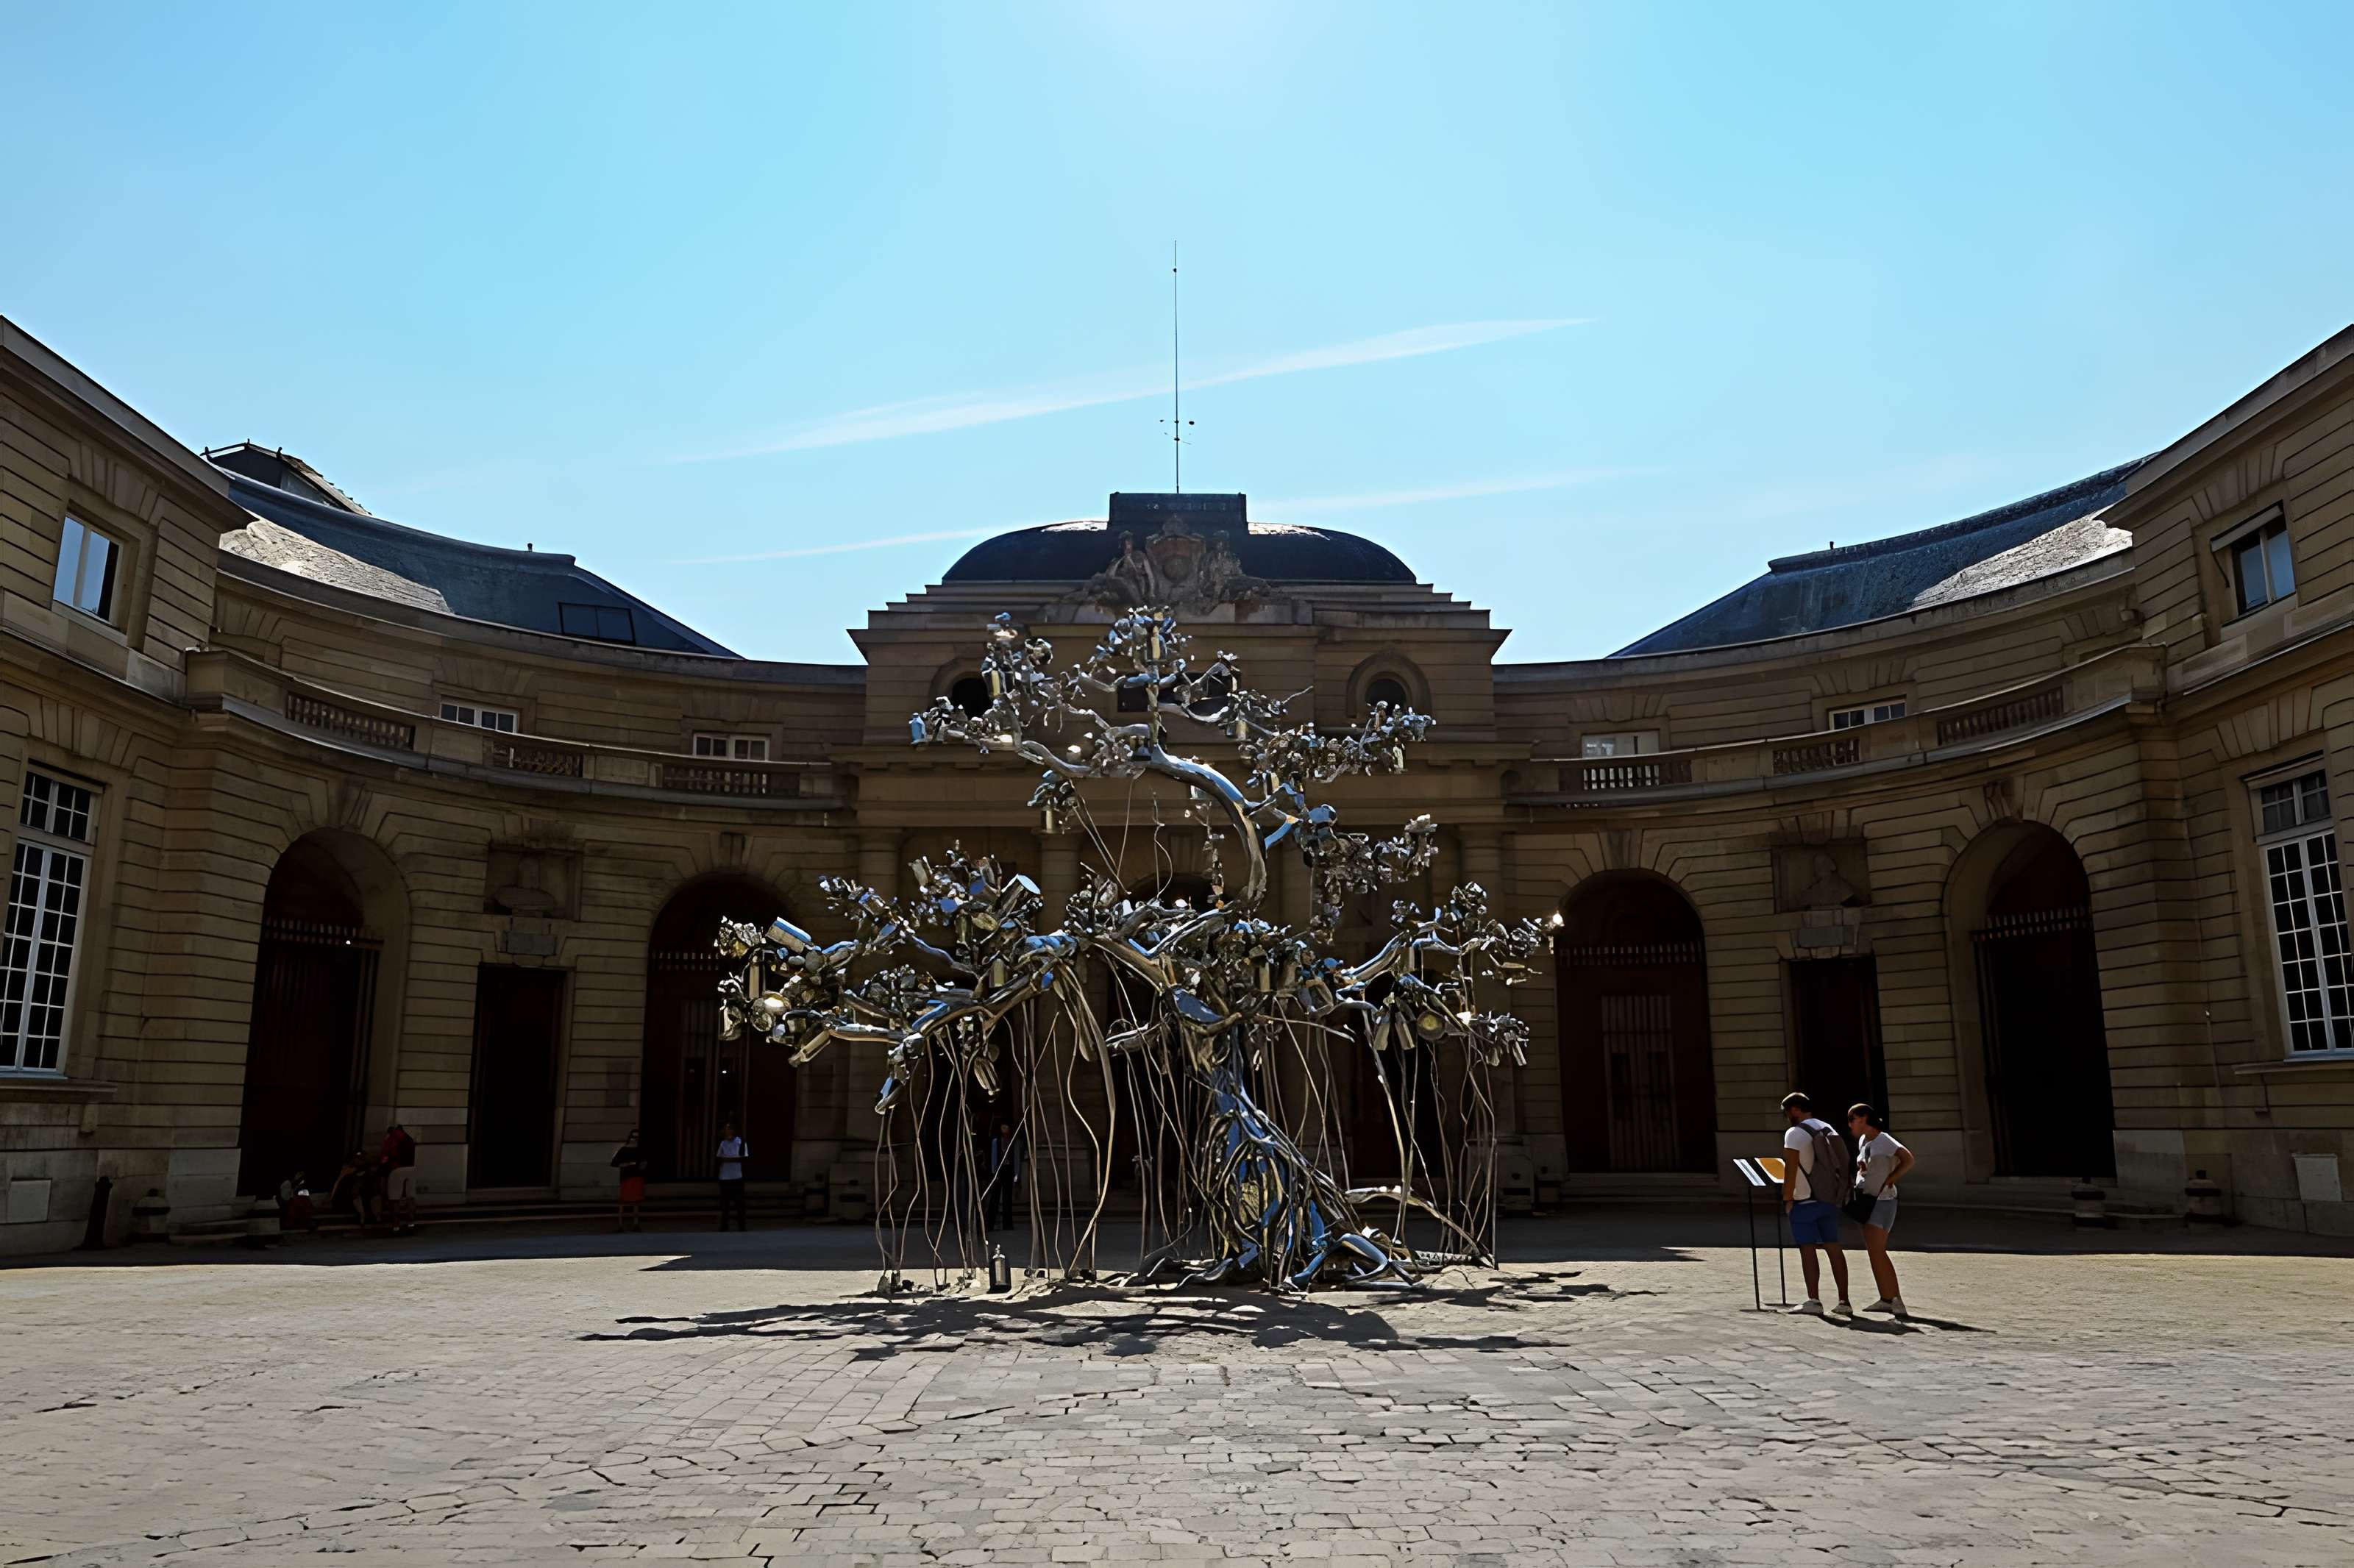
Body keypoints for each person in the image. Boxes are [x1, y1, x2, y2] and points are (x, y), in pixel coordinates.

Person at [1777, 1091, 1854, 1316]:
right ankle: (1844, 1300)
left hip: (1805, 1200)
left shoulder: (1795, 1133)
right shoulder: (1827, 1127)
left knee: (1808, 1249)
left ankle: (1814, 1300)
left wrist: (1787, 1199)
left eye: (1786, 1113)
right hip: (1829, 1198)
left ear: (1794, 1110)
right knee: (1834, 1247)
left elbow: (1790, 1168)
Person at [1848, 1102, 1916, 1317]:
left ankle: (1896, 1299)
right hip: (1866, 1198)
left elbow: (1908, 1159)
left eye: (1852, 1119)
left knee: (1878, 1250)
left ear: (1864, 1118)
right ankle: (1886, 1297)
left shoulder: (1883, 1140)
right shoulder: (1863, 1141)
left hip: (1882, 1200)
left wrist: (1891, 1179)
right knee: (1873, 1251)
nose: (1849, 1125)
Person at [378, 1122, 419, 1235]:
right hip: (411, 1169)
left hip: (397, 1170)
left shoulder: (391, 1140)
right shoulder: (409, 1139)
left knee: (395, 1199)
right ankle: (411, 1223)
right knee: (411, 1197)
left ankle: (396, 1226)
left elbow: (384, 1156)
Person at [984, 1118, 1023, 1231]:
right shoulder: (996, 1141)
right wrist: (994, 1172)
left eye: (1006, 1127)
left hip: (1009, 1169)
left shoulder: (1013, 1141)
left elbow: (1016, 1158)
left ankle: (1008, 1224)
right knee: (995, 1197)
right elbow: (994, 1157)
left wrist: (1016, 1174)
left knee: (1007, 1198)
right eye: (1002, 1127)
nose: (1004, 1129)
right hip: (999, 1170)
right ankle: (989, 1224)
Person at [714, 1122, 749, 1231]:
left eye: (730, 1129)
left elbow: (744, 1158)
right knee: (725, 1204)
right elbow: (719, 1157)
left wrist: (729, 1159)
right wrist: (727, 1159)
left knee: (740, 1203)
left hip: (737, 1177)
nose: (728, 1131)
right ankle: (724, 1226)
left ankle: (742, 1226)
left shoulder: (741, 1142)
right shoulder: (723, 1143)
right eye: (727, 1129)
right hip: (725, 1177)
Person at [611, 1129, 647, 1233]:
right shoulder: (623, 1150)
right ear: (629, 1138)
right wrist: (624, 1164)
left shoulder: (640, 1150)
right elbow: (614, 1163)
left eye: (637, 1138)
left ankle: (636, 1225)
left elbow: (644, 1163)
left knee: (636, 1203)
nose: (634, 1140)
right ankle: (620, 1226)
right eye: (633, 1137)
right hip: (626, 1178)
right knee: (622, 1202)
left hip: (637, 1177)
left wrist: (643, 1166)